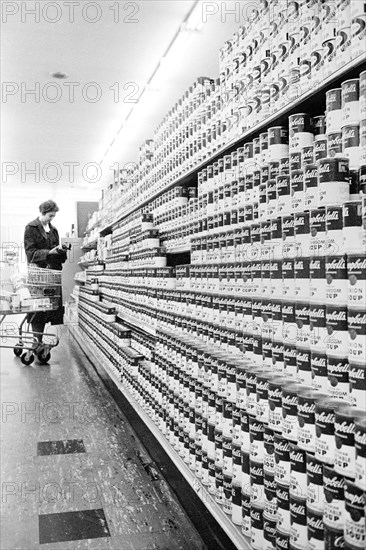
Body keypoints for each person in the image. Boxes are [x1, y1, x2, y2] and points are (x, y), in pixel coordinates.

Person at [24, 200, 67, 345]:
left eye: (53, 216)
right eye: (50, 215)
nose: (52, 218)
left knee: (49, 308)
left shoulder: (54, 230)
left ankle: (39, 340)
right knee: (38, 309)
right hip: (38, 275)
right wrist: (49, 252)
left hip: (51, 276)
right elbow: (30, 253)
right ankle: (37, 341)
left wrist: (62, 252)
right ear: (42, 213)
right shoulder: (31, 228)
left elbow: (57, 252)